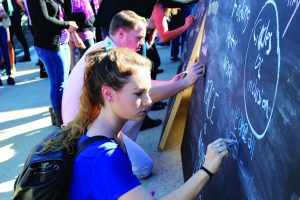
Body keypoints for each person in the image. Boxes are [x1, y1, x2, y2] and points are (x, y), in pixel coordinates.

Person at [57, 47, 231, 199]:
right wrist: (206, 170)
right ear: (108, 94)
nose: (148, 101)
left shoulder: (99, 130)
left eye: (148, 91)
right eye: (138, 93)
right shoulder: (104, 157)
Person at [62, 10, 204, 179]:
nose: (141, 43)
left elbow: (138, 86)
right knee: (144, 167)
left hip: (84, 123)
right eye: (138, 37)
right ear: (121, 33)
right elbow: (144, 93)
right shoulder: (110, 58)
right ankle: (107, 162)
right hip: (84, 133)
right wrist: (184, 83)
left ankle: (117, 150)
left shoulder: (104, 47)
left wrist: (170, 84)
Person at [27, 0, 78, 126]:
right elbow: (44, 19)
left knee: (64, 81)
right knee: (58, 84)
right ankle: (60, 118)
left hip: (63, 42)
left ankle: (59, 114)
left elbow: (68, 13)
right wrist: (67, 24)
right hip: (49, 45)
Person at [0, 1, 15, 85]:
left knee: (6, 53)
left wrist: (4, 15)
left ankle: (9, 76)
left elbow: (5, 15)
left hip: (2, 28)